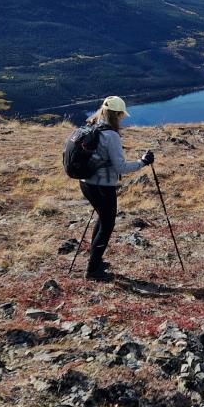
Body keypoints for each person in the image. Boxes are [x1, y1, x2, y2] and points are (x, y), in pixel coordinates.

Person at [80, 95, 154, 281]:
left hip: (85, 183)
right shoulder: (110, 135)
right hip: (102, 186)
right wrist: (143, 162)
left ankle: (95, 260)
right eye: (121, 114)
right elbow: (120, 167)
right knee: (107, 224)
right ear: (117, 114)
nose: (122, 118)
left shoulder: (91, 126)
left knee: (102, 219)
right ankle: (92, 270)